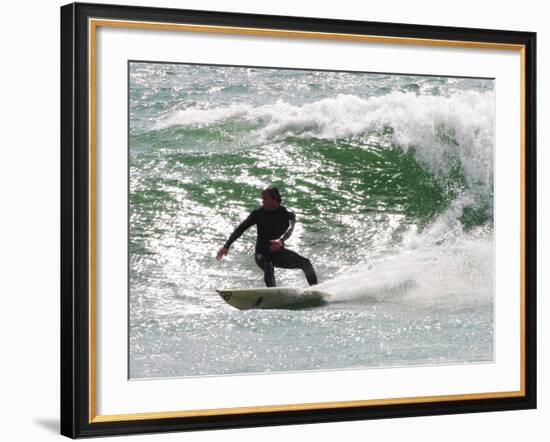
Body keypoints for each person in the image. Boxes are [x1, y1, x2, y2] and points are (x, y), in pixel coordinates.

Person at [216, 186, 318, 287]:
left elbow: (290, 229)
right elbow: (241, 228)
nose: (262, 201)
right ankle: (273, 294)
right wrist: (226, 246)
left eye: (265, 199)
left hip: (279, 253)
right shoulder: (258, 214)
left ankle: (316, 290)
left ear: (274, 199)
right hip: (262, 253)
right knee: (268, 266)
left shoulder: (286, 214)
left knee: (306, 263)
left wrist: (281, 241)